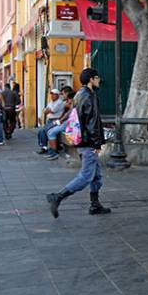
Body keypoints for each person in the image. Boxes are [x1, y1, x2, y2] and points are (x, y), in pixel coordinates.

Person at [46, 68, 111, 218]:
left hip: (82, 140)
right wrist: (97, 144)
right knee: (86, 176)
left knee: (97, 176)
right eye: (97, 78)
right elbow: (92, 122)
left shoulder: (79, 95)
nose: (99, 80)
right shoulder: (89, 96)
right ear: (91, 79)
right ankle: (57, 197)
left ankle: (95, 205)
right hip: (88, 142)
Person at [37, 87, 71, 154]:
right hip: (52, 120)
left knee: (46, 131)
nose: (52, 95)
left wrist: (47, 110)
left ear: (57, 95)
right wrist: (47, 110)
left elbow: (51, 110)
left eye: (54, 94)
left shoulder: (60, 102)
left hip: (57, 120)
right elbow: (45, 110)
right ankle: (47, 147)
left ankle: (49, 148)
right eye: (51, 94)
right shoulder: (52, 102)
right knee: (43, 131)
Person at [45, 90, 76, 161]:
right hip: (67, 122)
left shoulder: (76, 105)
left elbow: (71, 118)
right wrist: (61, 120)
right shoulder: (72, 105)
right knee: (50, 131)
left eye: (69, 99)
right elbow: (67, 114)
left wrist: (70, 128)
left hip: (71, 123)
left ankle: (54, 152)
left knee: (51, 132)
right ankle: (52, 151)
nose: (68, 101)